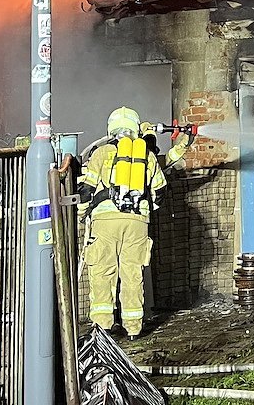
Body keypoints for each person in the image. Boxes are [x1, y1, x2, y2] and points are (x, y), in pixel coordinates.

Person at [78, 106, 192, 339]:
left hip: (105, 222)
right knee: (133, 274)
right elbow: (160, 191)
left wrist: (83, 215)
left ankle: (103, 329)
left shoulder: (101, 153)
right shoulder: (146, 157)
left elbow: (86, 190)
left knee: (103, 273)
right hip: (137, 223)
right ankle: (133, 328)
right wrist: (144, 211)